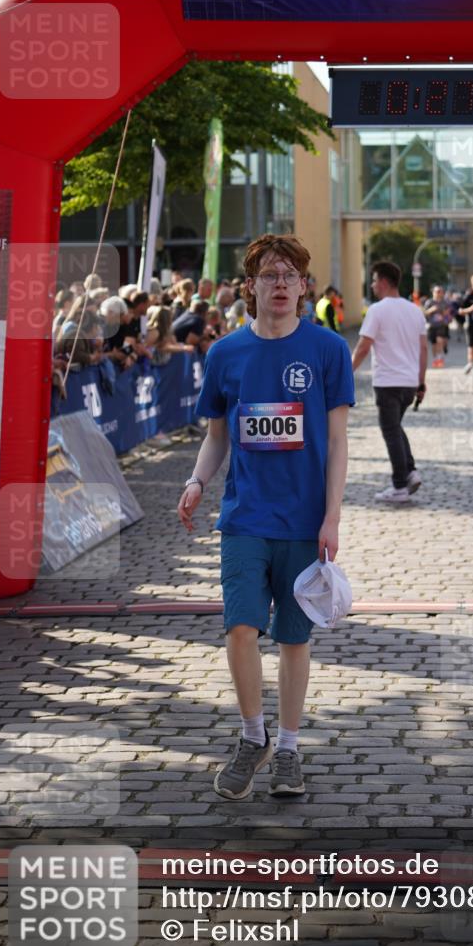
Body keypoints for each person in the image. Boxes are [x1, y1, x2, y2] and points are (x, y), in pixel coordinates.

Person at [176, 234, 353, 800]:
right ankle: (253, 737)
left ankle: (290, 749)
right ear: (249, 286)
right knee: (240, 627)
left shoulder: (328, 350)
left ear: (304, 287)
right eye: (270, 275)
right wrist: (197, 481)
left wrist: (332, 517)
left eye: (291, 275)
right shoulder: (225, 354)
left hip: (304, 524)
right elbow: (217, 436)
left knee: (295, 639)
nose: (281, 285)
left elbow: (340, 441)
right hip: (245, 519)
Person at [352, 260, 427, 503]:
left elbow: (364, 346)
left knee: (390, 431)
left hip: (387, 382)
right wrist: (421, 382)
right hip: (408, 383)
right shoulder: (414, 310)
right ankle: (410, 472)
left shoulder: (377, 310)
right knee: (396, 428)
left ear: (384, 282)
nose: (372, 285)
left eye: (374, 280)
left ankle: (399, 486)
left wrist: (346, 372)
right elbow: (423, 349)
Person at [423, 285, 453, 368]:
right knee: (434, 344)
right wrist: (431, 310)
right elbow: (424, 313)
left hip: (442, 325)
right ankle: (436, 358)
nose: (439, 293)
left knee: (439, 340)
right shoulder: (429, 302)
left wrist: (446, 314)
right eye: (437, 291)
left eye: (440, 291)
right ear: (433, 293)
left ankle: (440, 357)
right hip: (432, 325)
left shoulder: (445, 302)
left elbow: (449, 313)